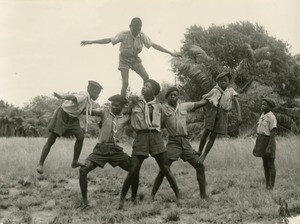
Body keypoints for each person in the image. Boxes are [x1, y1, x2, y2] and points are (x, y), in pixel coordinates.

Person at [118, 79, 180, 209]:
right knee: (133, 169)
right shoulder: (134, 103)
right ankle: (123, 200)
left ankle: (178, 197)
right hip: (141, 137)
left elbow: (163, 123)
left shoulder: (159, 106)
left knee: (165, 168)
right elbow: (124, 117)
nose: (144, 88)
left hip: (156, 137)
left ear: (154, 91)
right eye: (143, 86)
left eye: (147, 86)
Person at [81, 17, 180, 97]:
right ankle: (122, 102)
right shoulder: (123, 34)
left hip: (135, 59)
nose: (136, 32)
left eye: (138, 30)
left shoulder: (142, 36)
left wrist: (170, 52)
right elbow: (108, 40)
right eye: (134, 30)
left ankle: (144, 97)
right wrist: (91, 42)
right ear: (130, 27)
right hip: (124, 59)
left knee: (146, 76)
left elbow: (154, 45)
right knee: (125, 83)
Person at [151, 87, 207, 200]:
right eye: (171, 94)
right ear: (167, 97)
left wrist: (211, 96)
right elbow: (157, 123)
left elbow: (200, 104)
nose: (173, 96)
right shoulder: (162, 108)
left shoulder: (184, 106)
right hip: (173, 142)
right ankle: (152, 196)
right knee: (164, 168)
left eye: (175, 95)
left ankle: (203, 196)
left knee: (199, 166)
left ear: (178, 97)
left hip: (185, 142)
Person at [36, 81, 103, 174]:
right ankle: (40, 164)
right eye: (97, 93)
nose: (98, 96)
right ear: (91, 90)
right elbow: (73, 97)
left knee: (80, 137)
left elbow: (84, 111)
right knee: (51, 139)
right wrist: (62, 96)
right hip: (63, 114)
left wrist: (101, 112)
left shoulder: (88, 100)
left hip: (73, 118)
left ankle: (74, 162)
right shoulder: (84, 95)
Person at [79, 94, 131, 209]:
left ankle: (129, 198)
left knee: (134, 168)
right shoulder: (104, 112)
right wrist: (81, 103)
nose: (114, 107)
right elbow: (89, 111)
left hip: (115, 150)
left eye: (117, 106)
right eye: (112, 105)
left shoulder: (126, 117)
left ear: (122, 106)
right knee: (83, 170)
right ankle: (84, 202)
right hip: (100, 149)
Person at [197, 71, 242, 163]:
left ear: (228, 82)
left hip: (223, 114)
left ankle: (204, 155)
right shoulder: (215, 90)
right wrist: (198, 107)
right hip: (213, 112)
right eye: (221, 81)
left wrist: (239, 115)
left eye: (225, 80)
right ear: (218, 82)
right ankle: (199, 151)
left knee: (213, 136)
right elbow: (205, 99)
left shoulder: (231, 91)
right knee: (206, 132)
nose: (223, 82)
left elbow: (236, 102)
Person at [253, 98, 277, 190]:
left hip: (268, 141)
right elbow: (259, 133)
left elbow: (273, 133)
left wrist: (269, 147)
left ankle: (272, 186)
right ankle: (267, 185)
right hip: (261, 141)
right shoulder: (262, 115)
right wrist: (256, 146)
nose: (262, 106)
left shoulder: (271, 117)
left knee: (271, 164)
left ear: (270, 107)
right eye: (262, 104)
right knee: (265, 164)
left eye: (265, 105)